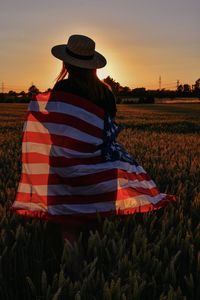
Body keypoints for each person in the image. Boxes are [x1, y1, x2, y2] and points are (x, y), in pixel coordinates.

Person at [12, 34, 175, 243]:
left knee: (68, 226)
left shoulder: (62, 90)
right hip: (101, 166)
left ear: (66, 63)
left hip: (64, 165)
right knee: (97, 224)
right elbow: (103, 129)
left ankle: (74, 272)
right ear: (93, 65)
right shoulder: (105, 93)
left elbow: (56, 126)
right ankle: (100, 270)